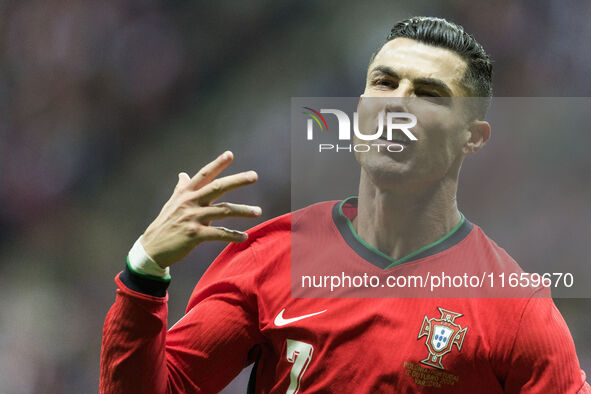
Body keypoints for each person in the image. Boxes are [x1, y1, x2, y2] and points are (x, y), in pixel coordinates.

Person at [100, 16, 590, 393]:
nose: (397, 104)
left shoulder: (515, 310)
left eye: (428, 94)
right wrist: (146, 268)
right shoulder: (273, 257)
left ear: (472, 137)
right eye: (384, 82)